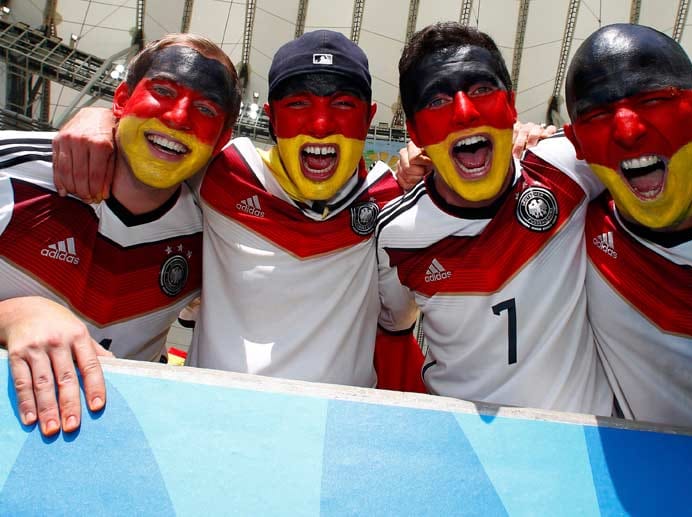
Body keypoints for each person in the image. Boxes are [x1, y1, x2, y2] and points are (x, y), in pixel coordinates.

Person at [53, 31, 426, 393]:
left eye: (344, 105)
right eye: (298, 104)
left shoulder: (389, 198)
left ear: (369, 116)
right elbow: (157, 143)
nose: (321, 125)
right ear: (270, 117)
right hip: (212, 419)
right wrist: (100, 118)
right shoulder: (222, 171)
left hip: (333, 430)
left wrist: (428, 186)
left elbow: (399, 316)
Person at [0, 33, 242, 436]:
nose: (179, 117)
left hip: (113, 448)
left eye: (205, 108)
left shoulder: (213, 228)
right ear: (121, 99)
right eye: (163, 91)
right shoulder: (11, 168)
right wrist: (14, 314)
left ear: (222, 141)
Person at [376, 22, 612, 414]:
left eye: (482, 90)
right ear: (414, 131)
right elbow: (397, 326)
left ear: (511, 106)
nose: (465, 113)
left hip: (583, 446)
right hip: (464, 447)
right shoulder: (396, 233)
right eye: (436, 101)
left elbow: (676, 140)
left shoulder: (567, 166)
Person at [561, 24, 692, 430]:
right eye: (598, 115)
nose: (628, 130)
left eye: (655, 100)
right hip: (642, 478)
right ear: (575, 142)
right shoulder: (578, 220)